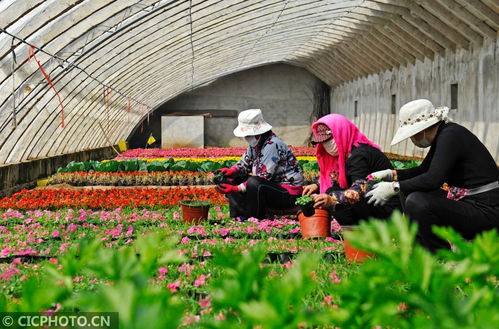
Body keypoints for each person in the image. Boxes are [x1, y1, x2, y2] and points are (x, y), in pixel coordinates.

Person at [366, 99, 499, 252]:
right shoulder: (444, 134)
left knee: (418, 201)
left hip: (487, 210)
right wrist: (393, 175)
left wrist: (394, 187)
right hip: (470, 203)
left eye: (412, 135)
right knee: (408, 191)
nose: (412, 139)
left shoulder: (451, 136)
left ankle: (439, 254)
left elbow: (433, 179)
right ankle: (421, 250)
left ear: (421, 130)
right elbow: (424, 170)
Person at [303, 114, 401, 225]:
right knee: (332, 191)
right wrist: (316, 185)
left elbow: (359, 189)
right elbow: (337, 174)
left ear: (342, 133)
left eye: (329, 139)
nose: (326, 145)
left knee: (335, 197)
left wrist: (332, 199)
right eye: (323, 142)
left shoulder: (359, 155)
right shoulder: (347, 152)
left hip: (385, 207)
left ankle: (357, 232)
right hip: (372, 201)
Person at [215, 109, 303, 220]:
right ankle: (239, 216)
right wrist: (232, 171)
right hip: (270, 187)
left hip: (287, 193)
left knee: (254, 182)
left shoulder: (272, 145)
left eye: (249, 134)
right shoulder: (256, 145)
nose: (247, 137)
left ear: (259, 132)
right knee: (230, 178)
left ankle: (255, 218)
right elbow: (244, 163)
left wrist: (235, 189)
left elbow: (263, 177)